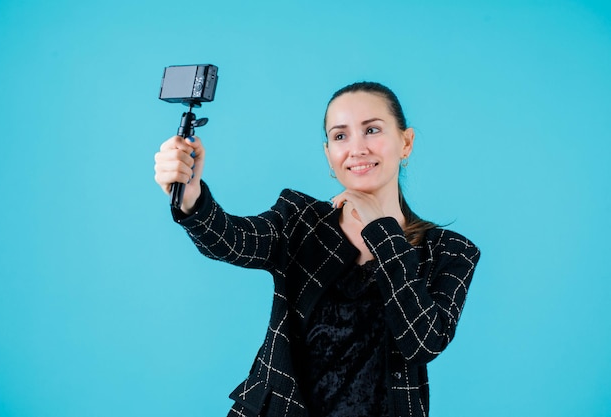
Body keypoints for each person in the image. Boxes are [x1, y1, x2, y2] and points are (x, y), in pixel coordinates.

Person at [154, 81, 481, 417]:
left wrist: (380, 231)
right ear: (329, 155)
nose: (357, 149)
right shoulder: (299, 221)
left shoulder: (450, 253)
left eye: (372, 130)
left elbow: (423, 341)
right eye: (341, 136)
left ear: (406, 142)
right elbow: (232, 240)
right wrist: (192, 198)